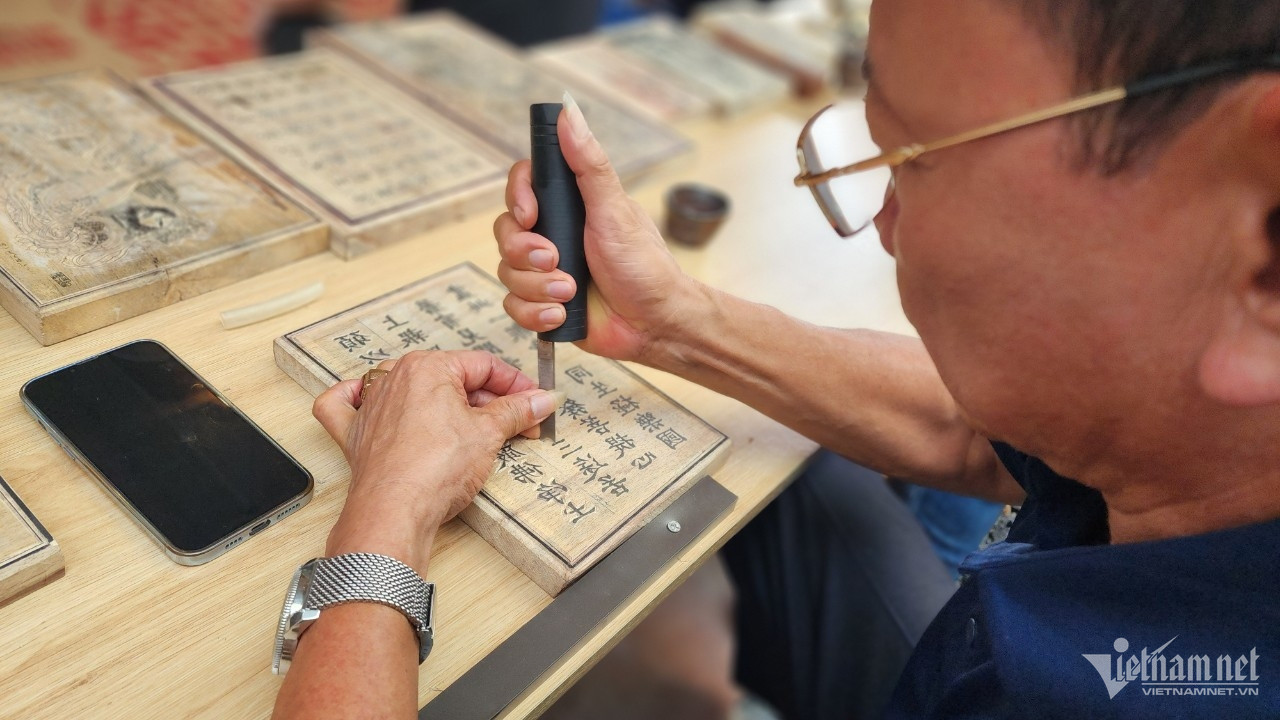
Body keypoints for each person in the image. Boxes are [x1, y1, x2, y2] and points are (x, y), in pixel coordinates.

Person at [274, 0, 1280, 718]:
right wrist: (669, 322)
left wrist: (385, 518)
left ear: (1262, 239)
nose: (879, 228)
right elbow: (972, 434)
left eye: (914, 160)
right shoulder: (1190, 434)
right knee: (800, 479)